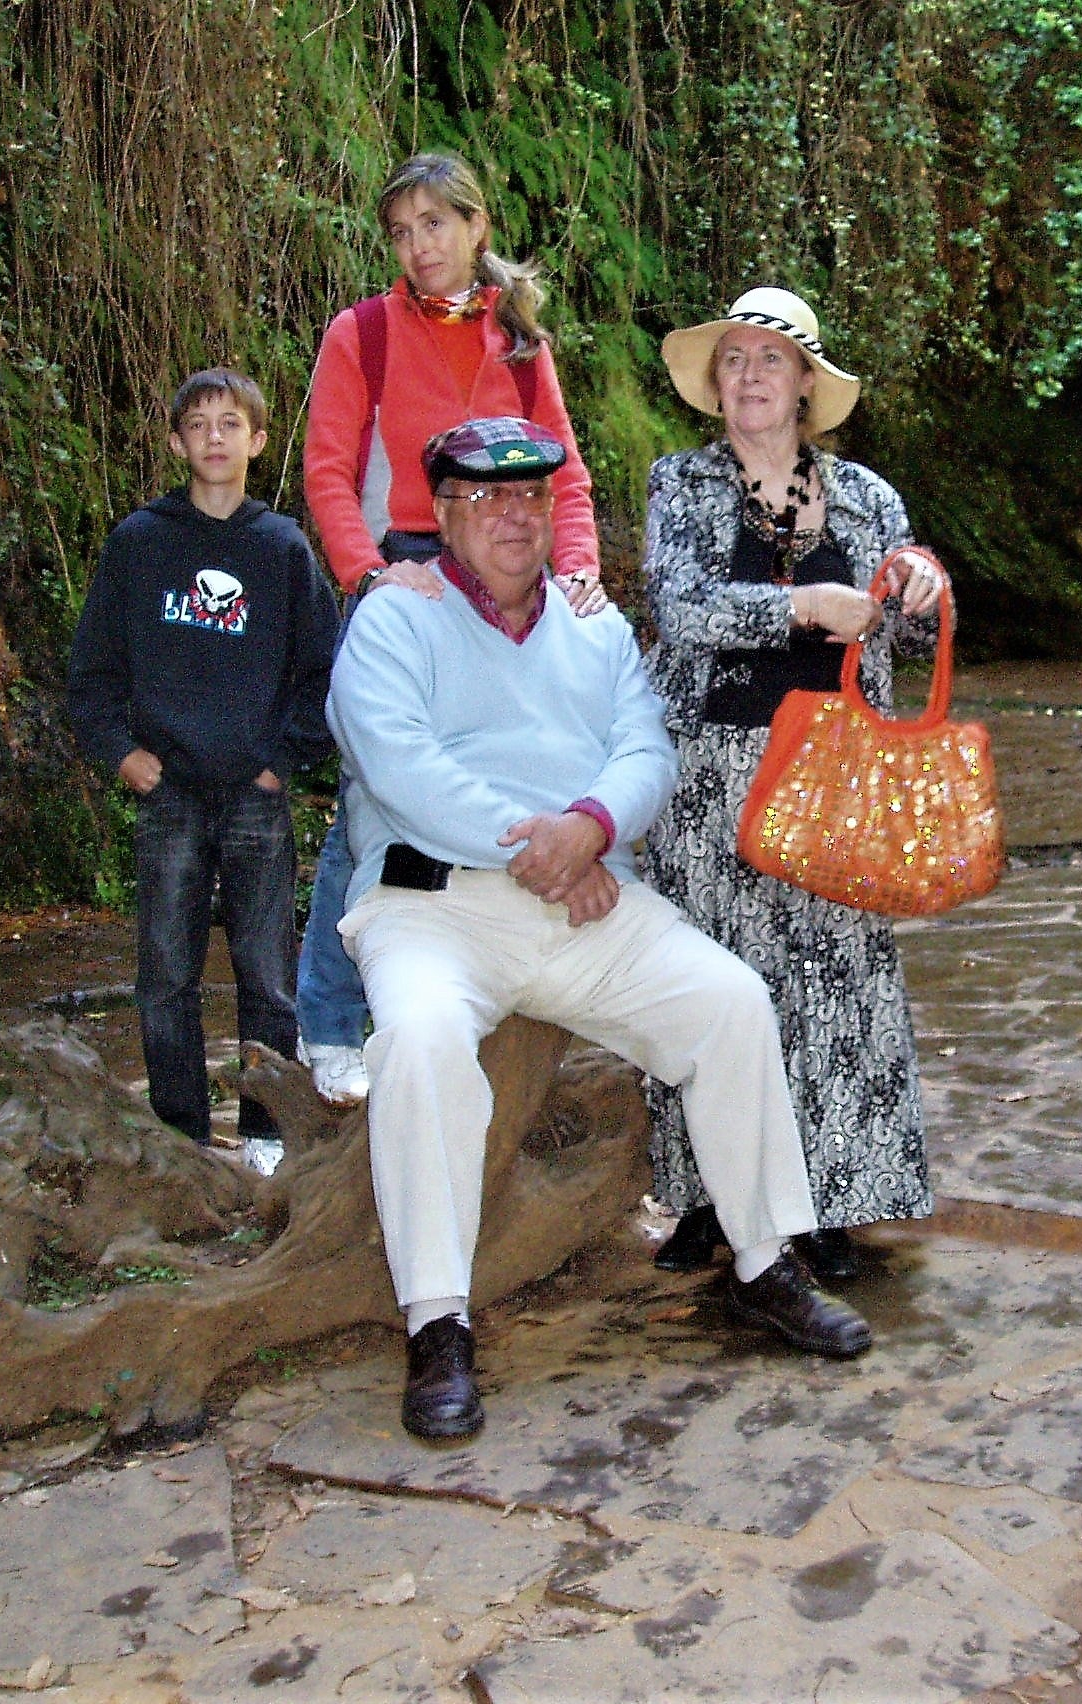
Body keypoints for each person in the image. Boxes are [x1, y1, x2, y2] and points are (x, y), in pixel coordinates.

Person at [328, 416, 875, 1442]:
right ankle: (437, 1321)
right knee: (419, 1040)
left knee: (729, 1003)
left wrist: (588, 831)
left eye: (530, 497)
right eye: (487, 497)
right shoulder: (396, 619)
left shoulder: (594, 624)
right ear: (442, 512)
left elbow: (643, 751)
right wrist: (533, 844)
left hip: (588, 894)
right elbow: (396, 759)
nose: (511, 515)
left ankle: (762, 1260)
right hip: (436, 905)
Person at [639, 287, 947, 1282]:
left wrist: (921, 598)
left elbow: (902, 637)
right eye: (732, 361)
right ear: (714, 386)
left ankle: (825, 1205)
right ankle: (706, 1202)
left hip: (832, 765)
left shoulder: (869, 500)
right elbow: (682, 612)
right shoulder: (678, 484)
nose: (749, 377)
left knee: (833, 991)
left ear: (806, 382)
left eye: (769, 360)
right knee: (711, 988)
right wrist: (800, 606)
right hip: (710, 773)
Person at [297, 151, 606, 1111]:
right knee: (375, 797)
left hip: (513, 566)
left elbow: (563, 474)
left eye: (436, 223)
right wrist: (369, 571)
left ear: (477, 227)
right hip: (416, 569)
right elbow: (326, 471)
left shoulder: (519, 343)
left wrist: (580, 567)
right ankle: (330, 1023)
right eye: (402, 230)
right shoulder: (364, 334)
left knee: (522, 772)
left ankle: (502, 1005)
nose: (420, 246)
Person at [68, 367, 339, 1149]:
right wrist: (121, 753)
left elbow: (324, 668)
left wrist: (281, 758)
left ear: (257, 440)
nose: (214, 438)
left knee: (266, 977)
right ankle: (179, 1135)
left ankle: (264, 1135)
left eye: (230, 425)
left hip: (254, 791)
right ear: (177, 438)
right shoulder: (140, 543)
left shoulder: (281, 548)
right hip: (169, 794)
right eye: (199, 424)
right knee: (165, 976)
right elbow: (92, 668)